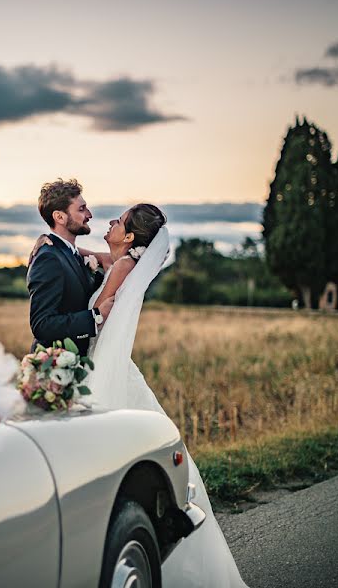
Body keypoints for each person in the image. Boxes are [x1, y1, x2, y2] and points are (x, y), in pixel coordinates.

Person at [31, 203, 247, 587]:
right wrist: (54, 243)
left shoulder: (122, 269)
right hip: (107, 363)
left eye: (119, 221)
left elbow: (97, 316)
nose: (110, 222)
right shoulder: (120, 262)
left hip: (100, 365)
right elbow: (87, 255)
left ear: (130, 238)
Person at [26, 178, 114, 357]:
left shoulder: (72, 254)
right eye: (81, 209)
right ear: (59, 217)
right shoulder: (48, 258)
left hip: (77, 365)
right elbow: (42, 325)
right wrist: (95, 317)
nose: (89, 214)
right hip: (54, 370)